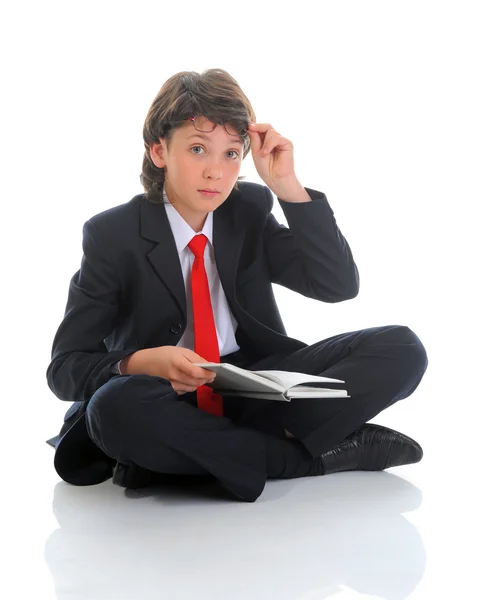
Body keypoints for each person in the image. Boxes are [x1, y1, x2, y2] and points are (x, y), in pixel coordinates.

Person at [46, 68, 428, 503]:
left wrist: (287, 188)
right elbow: (65, 369)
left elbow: (336, 284)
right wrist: (138, 363)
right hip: (166, 399)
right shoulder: (112, 235)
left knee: (402, 347)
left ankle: (194, 460)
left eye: (231, 154)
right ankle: (313, 457)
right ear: (158, 151)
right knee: (114, 410)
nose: (216, 172)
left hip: (254, 387)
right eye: (197, 149)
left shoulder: (247, 209)